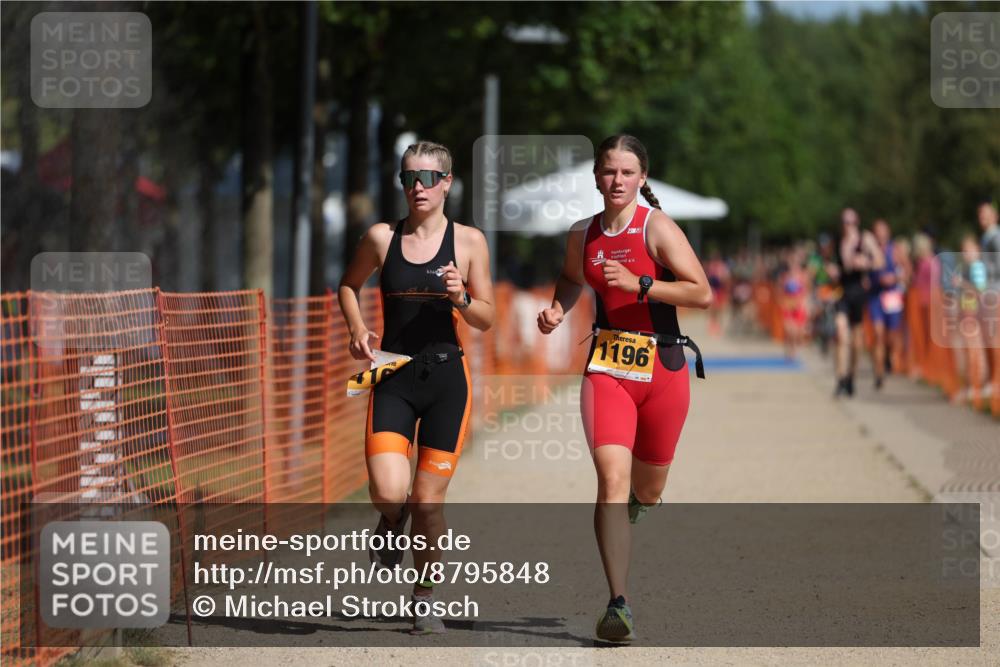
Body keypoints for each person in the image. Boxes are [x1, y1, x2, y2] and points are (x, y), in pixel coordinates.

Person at [537, 135, 710, 643]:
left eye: (627, 173)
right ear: (596, 176)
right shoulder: (581, 234)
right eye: (609, 171)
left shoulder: (657, 228)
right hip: (608, 367)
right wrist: (557, 308)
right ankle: (618, 602)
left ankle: (643, 497)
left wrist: (642, 284)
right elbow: (572, 279)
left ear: (642, 179)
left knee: (648, 490)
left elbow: (702, 291)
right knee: (610, 481)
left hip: (663, 366)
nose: (617, 181)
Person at [338, 141, 495, 634]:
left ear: (447, 183)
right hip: (393, 375)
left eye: (428, 178)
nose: (417, 188)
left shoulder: (469, 242)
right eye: (408, 179)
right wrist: (357, 329)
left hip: (448, 379)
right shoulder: (382, 237)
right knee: (388, 492)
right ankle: (390, 519)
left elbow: (486, 318)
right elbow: (347, 284)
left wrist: (462, 297)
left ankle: (424, 596)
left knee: (429, 502)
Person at [833, 208, 883, 397]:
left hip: (859, 293)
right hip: (843, 292)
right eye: (845, 222)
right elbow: (835, 265)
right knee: (841, 333)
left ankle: (850, 376)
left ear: (857, 222)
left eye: (851, 222)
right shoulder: (839, 242)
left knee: (856, 341)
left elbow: (880, 261)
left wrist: (866, 263)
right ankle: (840, 377)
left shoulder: (865, 239)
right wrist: (834, 271)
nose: (848, 226)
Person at [867, 219, 904, 390]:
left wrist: (894, 278)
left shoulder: (895, 249)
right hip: (875, 297)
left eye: (883, 231)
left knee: (890, 337)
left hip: (892, 297)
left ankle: (888, 357)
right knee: (878, 333)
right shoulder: (870, 251)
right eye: (877, 231)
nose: (880, 235)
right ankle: (879, 372)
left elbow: (906, 272)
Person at [779, 246, 810, 360]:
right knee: (789, 330)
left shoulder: (803, 276)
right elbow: (781, 291)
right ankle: (789, 349)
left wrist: (804, 304)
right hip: (788, 305)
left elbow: (806, 291)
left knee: (797, 332)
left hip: (799, 306)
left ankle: (794, 349)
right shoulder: (785, 276)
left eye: (795, 261)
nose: (793, 264)